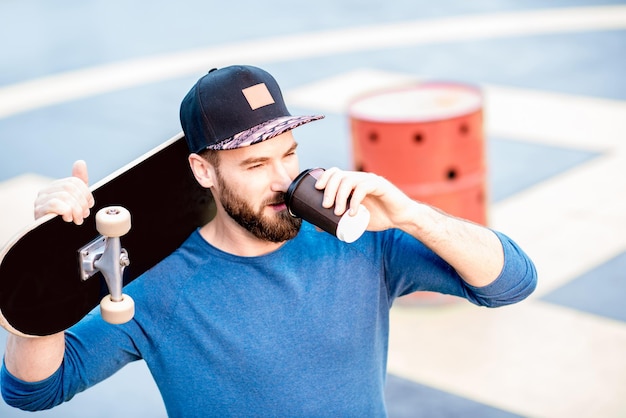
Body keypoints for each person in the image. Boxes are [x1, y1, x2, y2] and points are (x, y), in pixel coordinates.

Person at [1, 65, 537, 417]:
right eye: (255, 163)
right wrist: (50, 267)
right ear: (203, 171)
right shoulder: (159, 277)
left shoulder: (359, 238)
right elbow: (37, 389)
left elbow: (511, 283)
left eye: (288, 154)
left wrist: (410, 215)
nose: (282, 180)